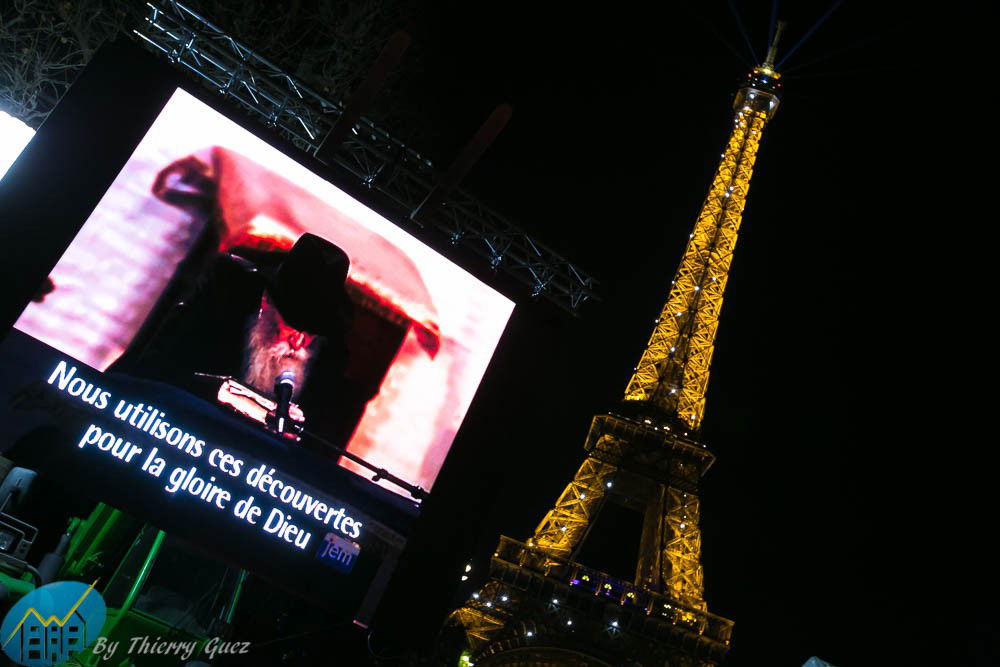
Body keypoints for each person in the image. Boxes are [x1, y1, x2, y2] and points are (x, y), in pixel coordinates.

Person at [108, 233, 362, 450]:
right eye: (292, 328)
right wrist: (229, 396)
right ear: (267, 304)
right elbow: (150, 371)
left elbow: (320, 447)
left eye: (311, 335)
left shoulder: (330, 359)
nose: (298, 344)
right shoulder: (216, 307)